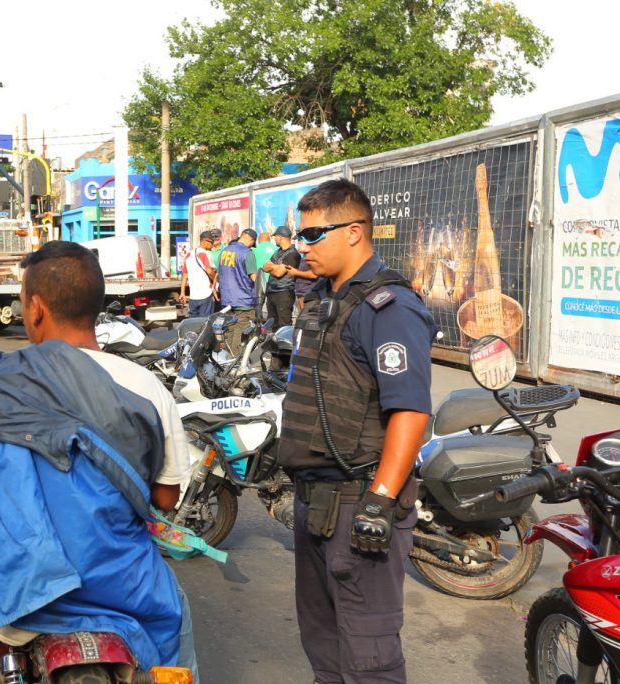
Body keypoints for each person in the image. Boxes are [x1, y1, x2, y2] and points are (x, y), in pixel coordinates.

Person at [0, 241, 197, 684]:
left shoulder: (2, 385)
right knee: (178, 624)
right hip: (125, 584)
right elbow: (165, 496)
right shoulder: (146, 387)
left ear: (36, 308)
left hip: (20, 586)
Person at [277, 179, 436, 684]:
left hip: (358, 502)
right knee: (324, 646)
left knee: (369, 658)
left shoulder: (388, 307)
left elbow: (410, 411)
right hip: (316, 501)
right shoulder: (325, 298)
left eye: (313, 235)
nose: (303, 247)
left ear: (353, 232)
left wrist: (380, 501)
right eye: (301, 236)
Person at [216, 227, 259, 354]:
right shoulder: (247, 253)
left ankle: (226, 359)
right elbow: (254, 277)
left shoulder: (224, 251)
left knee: (229, 330)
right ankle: (237, 361)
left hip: (227, 300)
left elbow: (220, 274)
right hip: (244, 300)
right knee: (242, 333)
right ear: (251, 240)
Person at [260, 226, 301, 330]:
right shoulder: (277, 252)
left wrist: (273, 267)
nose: (274, 239)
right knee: (271, 324)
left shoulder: (293, 254)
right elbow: (265, 266)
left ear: (280, 237)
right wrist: (276, 266)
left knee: (284, 325)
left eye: (275, 237)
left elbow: (279, 273)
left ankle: (283, 346)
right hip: (271, 292)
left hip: (284, 293)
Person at [178, 229, 218, 317]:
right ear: (205, 241)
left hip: (193, 296)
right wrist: (217, 280)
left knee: (193, 324)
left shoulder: (189, 254)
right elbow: (209, 271)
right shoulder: (204, 254)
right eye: (211, 242)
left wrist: (182, 293)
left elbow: (184, 274)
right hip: (206, 294)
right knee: (205, 322)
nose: (213, 244)